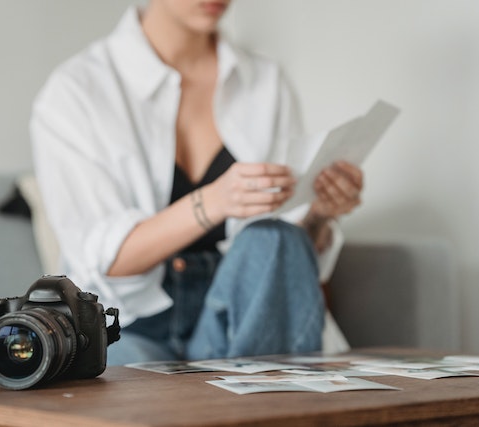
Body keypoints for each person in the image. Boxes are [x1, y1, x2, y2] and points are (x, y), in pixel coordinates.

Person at [30, 0, 363, 365]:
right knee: (138, 402)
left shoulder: (266, 83)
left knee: (276, 238)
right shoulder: (78, 91)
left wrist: (318, 216)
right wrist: (213, 202)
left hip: (241, 317)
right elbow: (103, 260)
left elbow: (278, 267)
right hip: (126, 323)